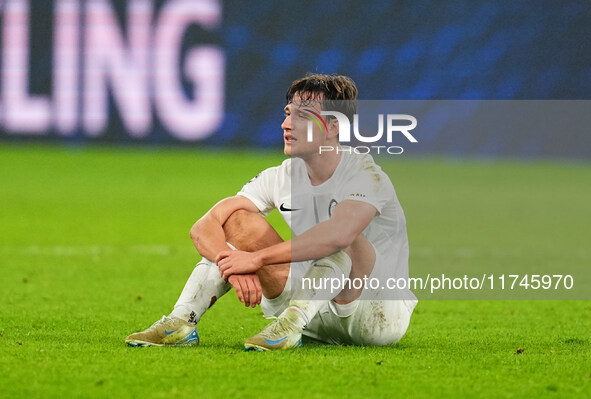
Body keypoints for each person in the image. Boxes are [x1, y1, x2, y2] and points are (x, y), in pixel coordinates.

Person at [125, 74, 417, 350]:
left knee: (344, 239)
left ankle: (291, 324)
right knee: (237, 221)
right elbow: (204, 226)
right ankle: (181, 320)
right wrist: (232, 266)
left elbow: (339, 235)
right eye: (288, 113)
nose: (286, 124)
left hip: (374, 315)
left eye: (303, 116)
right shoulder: (281, 176)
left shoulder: (366, 175)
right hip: (310, 308)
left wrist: (255, 259)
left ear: (334, 126)